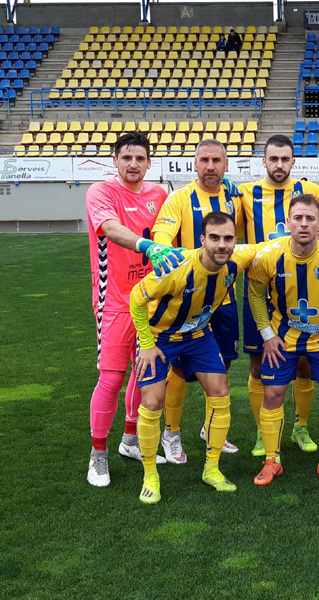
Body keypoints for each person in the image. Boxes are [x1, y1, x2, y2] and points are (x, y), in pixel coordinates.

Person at [130, 211, 259, 504]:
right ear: (202, 240)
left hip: (199, 336)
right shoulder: (176, 267)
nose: (222, 245)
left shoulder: (238, 259)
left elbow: (270, 246)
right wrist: (147, 344)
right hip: (160, 338)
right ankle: (150, 474)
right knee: (152, 402)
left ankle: (211, 469)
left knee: (220, 392)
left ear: (235, 241)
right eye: (214, 238)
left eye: (228, 239)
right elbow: (136, 300)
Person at [84, 132, 178, 487]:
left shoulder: (159, 194)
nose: (133, 164)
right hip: (115, 303)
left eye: (140, 158)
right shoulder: (102, 192)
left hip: (150, 301)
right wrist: (146, 245)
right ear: (116, 161)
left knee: (146, 374)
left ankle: (129, 440)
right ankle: (98, 456)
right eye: (126, 158)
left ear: (149, 162)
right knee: (111, 377)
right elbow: (109, 228)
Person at [247, 195, 319, 487]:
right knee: (272, 395)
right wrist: (267, 335)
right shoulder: (268, 256)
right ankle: (272, 460)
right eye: (298, 218)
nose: (304, 224)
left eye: (310, 218)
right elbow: (255, 295)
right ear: (287, 224)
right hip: (281, 339)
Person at [151, 139, 243, 462]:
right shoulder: (180, 198)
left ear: (226, 165)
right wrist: (168, 254)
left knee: (223, 364)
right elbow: (162, 236)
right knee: (179, 369)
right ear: (195, 164)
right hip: (188, 301)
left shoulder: (234, 198)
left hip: (225, 297)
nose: (210, 166)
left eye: (216, 160)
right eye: (204, 159)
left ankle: (210, 427)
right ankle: (171, 433)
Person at [238, 135, 319, 457]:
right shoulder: (245, 194)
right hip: (259, 290)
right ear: (263, 161)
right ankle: (265, 432)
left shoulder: (309, 193)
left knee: (303, 364)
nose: (279, 165)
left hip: (301, 293)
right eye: (272, 159)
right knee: (259, 367)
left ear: (293, 161)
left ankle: (300, 427)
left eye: (284, 159)